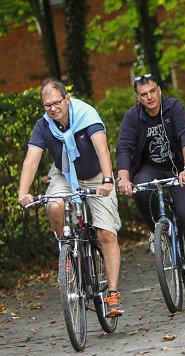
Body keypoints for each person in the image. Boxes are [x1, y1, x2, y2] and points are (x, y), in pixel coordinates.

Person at [18, 80, 124, 317]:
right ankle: (67, 250)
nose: (53, 108)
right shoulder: (44, 126)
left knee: (106, 233)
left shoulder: (87, 115)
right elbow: (31, 160)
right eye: (48, 105)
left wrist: (108, 180)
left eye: (57, 102)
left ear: (67, 99)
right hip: (65, 174)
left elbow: (102, 150)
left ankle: (113, 294)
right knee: (54, 205)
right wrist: (22, 192)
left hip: (97, 176)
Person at [116, 74, 185, 291]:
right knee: (142, 191)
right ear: (138, 97)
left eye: (152, 91)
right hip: (149, 168)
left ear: (159, 90)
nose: (149, 97)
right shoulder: (133, 116)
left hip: (178, 167)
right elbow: (124, 148)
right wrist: (123, 179)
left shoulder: (173, 107)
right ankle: (158, 232)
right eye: (144, 94)